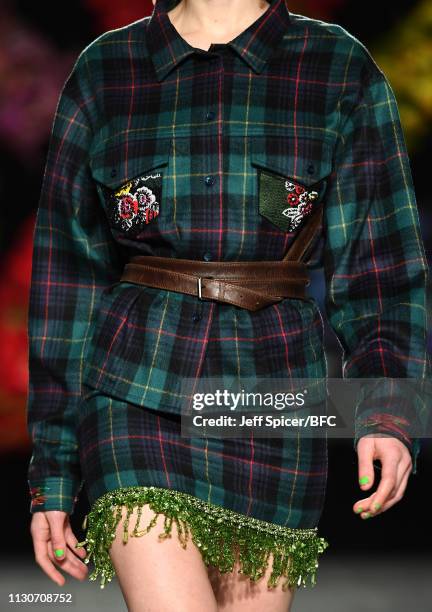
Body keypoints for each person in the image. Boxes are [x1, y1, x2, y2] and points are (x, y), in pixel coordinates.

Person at [27, 1, 429, 611]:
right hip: (138, 386)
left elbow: (381, 268)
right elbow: (67, 282)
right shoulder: (108, 70)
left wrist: (389, 410)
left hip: (273, 398)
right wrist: (53, 474)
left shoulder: (335, 67)